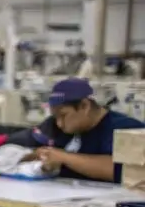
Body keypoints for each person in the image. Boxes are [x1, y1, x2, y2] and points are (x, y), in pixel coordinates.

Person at [8, 78, 144, 183]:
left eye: (63, 115)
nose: (59, 123)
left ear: (85, 106)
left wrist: (63, 157)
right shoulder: (63, 130)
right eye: (55, 117)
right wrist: (39, 157)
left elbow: (125, 170)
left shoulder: (126, 129)